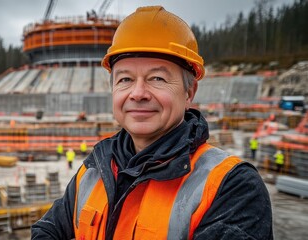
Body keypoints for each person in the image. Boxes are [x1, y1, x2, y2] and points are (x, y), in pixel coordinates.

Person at [32, 6, 272, 239]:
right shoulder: (93, 171)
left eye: (157, 78)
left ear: (189, 92)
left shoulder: (232, 187)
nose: (138, 93)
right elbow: (46, 230)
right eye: (125, 79)